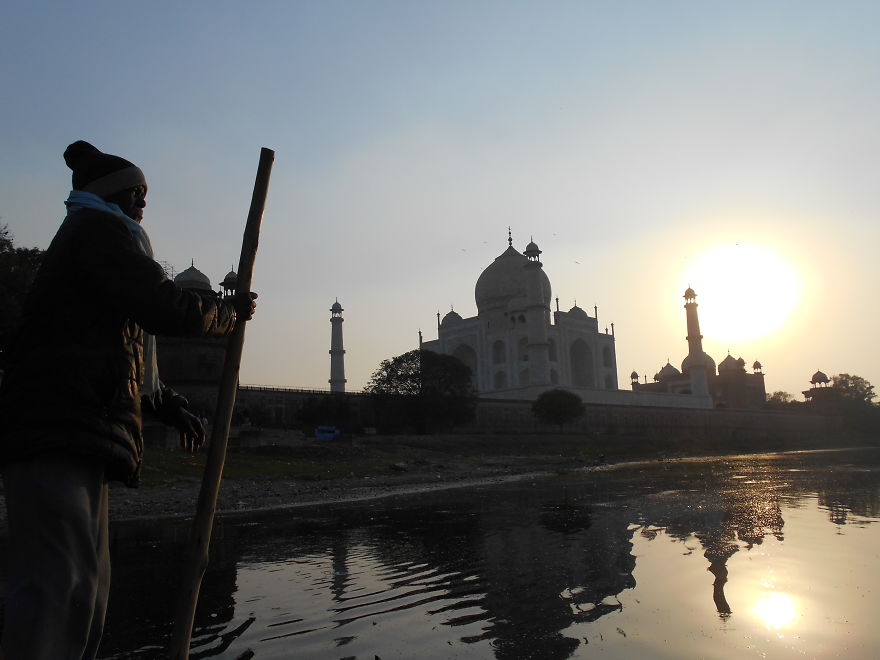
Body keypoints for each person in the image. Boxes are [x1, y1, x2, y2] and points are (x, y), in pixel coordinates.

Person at [0, 141, 256, 659]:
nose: (144, 206)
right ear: (113, 196)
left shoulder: (106, 243)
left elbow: (117, 352)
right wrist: (225, 315)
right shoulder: (98, 231)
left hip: (79, 434)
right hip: (53, 430)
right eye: (138, 195)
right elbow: (162, 306)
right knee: (58, 587)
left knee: (86, 594)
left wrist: (165, 403)